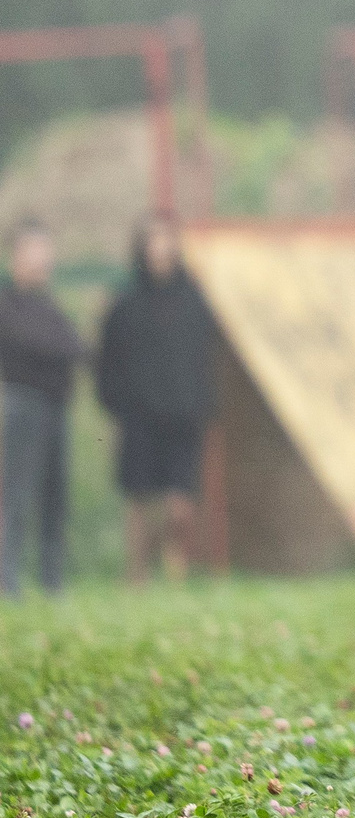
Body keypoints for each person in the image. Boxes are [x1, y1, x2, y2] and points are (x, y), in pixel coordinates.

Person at [96, 215, 220, 584]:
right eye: (152, 240)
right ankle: (137, 575)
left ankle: (174, 568)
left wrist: (204, 403)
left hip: (184, 416)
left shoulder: (196, 303)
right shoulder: (125, 306)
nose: (160, 248)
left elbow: (208, 359)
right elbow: (107, 362)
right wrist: (117, 404)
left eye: (166, 240)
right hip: (139, 418)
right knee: (139, 500)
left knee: (179, 507)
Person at [0, 218, 84, 598]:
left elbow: (75, 346)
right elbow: (45, 345)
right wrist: (64, 348)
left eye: (45, 252)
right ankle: (8, 579)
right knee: (17, 495)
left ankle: (51, 581)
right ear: (15, 257)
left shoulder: (50, 307)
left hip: (55, 407)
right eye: (32, 252)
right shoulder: (9, 304)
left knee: (55, 496)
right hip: (23, 405)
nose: (40, 261)